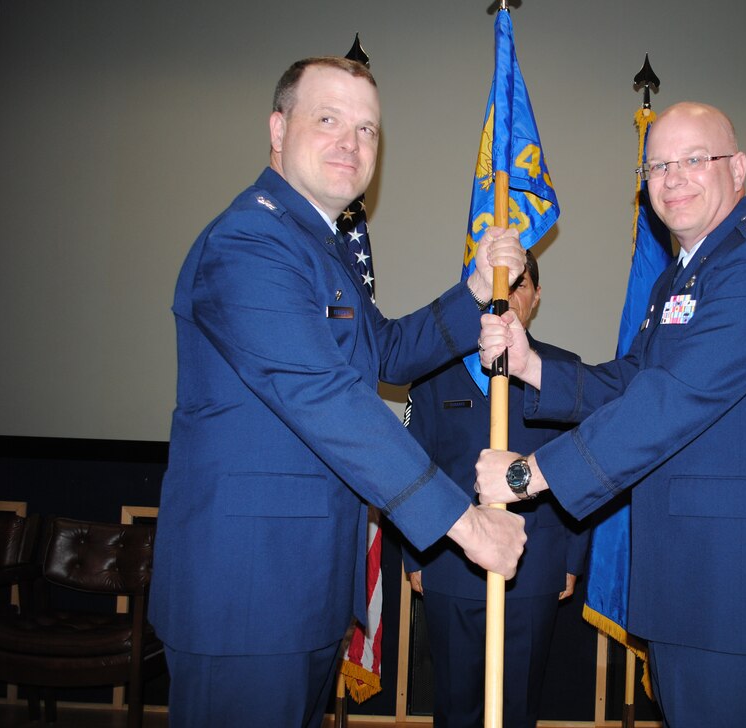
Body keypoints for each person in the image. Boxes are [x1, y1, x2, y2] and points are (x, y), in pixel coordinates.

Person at [149, 56, 528, 728]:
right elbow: (323, 395)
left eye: (368, 130)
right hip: (246, 594)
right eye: (327, 120)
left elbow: (382, 354)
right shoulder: (250, 240)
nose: (350, 144)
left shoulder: (320, 249)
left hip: (308, 589)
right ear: (277, 127)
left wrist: (474, 292)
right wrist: (464, 524)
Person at [474, 101, 746, 728]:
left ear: (739, 168)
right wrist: (532, 363)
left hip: (744, 600)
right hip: (689, 593)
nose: (672, 178)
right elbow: (631, 382)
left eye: (694, 159)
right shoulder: (676, 280)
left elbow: (673, 398)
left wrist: (526, 476)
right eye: (656, 165)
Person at [402, 250, 590, 728]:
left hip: (535, 568)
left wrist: (571, 560)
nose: (509, 295)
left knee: (519, 707)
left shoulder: (563, 373)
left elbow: (584, 470)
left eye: (521, 284)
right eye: (501, 284)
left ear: (536, 298)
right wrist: (415, 557)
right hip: (450, 564)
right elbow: (412, 463)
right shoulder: (432, 376)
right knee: (455, 706)